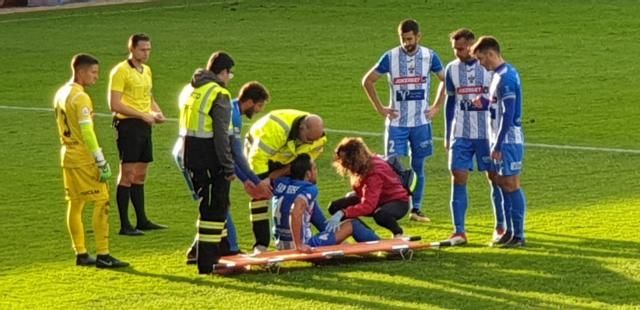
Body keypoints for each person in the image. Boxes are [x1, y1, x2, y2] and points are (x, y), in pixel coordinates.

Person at [362, 18, 446, 223]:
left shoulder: (429, 56)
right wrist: (380, 108)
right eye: (403, 39)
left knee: (419, 166)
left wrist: (436, 106)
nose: (406, 43)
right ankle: (390, 206)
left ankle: (416, 209)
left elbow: (445, 80)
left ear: (418, 36)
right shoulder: (390, 57)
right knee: (391, 166)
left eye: (410, 39)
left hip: (421, 122)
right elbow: (368, 80)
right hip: (397, 123)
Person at [181, 81, 272, 263]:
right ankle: (229, 248)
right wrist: (254, 180)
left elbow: (230, 153)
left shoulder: (232, 108)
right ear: (250, 101)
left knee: (215, 205)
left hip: (199, 155)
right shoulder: (232, 113)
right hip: (196, 157)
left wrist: (245, 179)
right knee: (217, 204)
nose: (259, 110)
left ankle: (199, 250)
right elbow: (235, 153)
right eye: (259, 105)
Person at [429, 28, 504, 246]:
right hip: (460, 134)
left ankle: (500, 226)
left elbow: (500, 98)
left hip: (486, 134)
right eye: (455, 49)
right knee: (458, 177)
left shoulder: (489, 69)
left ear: (471, 45)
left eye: (461, 48)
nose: (458, 53)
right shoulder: (451, 70)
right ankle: (459, 231)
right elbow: (450, 102)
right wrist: (446, 133)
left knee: (495, 178)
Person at [54, 54, 129, 268]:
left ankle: (81, 252)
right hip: (83, 158)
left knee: (75, 203)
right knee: (101, 200)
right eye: (93, 72)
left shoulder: (61, 93)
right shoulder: (81, 98)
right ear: (80, 72)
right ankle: (104, 254)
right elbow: (87, 132)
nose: (97, 77)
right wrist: (100, 160)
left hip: (67, 154)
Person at [177, 51, 236, 274]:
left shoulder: (194, 89)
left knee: (212, 204)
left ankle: (219, 250)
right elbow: (221, 135)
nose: (230, 78)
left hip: (191, 153)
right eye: (230, 74)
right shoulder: (219, 94)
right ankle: (207, 262)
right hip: (210, 157)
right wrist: (228, 165)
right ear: (223, 72)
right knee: (213, 208)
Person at [244, 109, 327, 253]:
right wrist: (264, 180)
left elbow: (301, 163)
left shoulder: (318, 139)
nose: (311, 142)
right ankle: (261, 245)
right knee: (260, 196)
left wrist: (278, 174)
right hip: (257, 154)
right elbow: (257, 158)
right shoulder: (276, 129)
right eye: (308, 139)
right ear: (302, 128)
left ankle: (324, 229)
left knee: (303, 191)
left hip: (286, 161)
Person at [471, 36, 527, 248]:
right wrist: (485, 102)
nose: (480, 63)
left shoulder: (507, 78)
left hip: (508, 140)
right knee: (502, 183)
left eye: (480, 58)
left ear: (491, 54)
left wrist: (498, 144)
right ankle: (510, 232)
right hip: (498, 137)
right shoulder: (497, 75)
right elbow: (497, 104)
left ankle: (519, 235)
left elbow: (508, 114)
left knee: (511, 184)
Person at [108, 33, 167, 236]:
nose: (146, 53)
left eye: (149, 49)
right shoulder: (120, 71)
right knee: (127, 175)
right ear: (131, 49)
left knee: (140, 175)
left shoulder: (147, 70)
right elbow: (114, 104)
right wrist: (143, 115)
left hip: (144, 125)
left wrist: (157, 112)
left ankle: (142, 220)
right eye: (143, 49)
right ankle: (125, 224)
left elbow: (148, 96)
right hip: (128, 126)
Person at [272, 154, 379, 252]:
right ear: (308, 174)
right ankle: (383, 245)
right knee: (352, 224)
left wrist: (335, 237)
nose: (317, 171)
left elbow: (321, 222)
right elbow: (295, 211)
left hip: (280, 245)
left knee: (320, 217)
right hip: (304, 245)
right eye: (314, 168)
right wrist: (299, 245)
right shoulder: (309, 189)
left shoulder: (279, 182)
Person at [326, 137, 410, 238]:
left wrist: (343, 213)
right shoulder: (364, 163)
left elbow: (368, 206)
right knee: (334, 207)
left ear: (354, 158)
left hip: (397, 201)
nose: (343, 164)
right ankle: (366, 233)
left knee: (380, 215)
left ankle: (398, 233)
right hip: (378, 198)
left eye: (345, 161)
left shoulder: (374, 173)